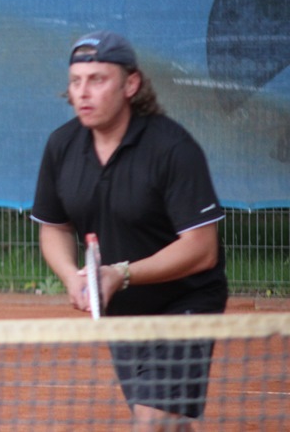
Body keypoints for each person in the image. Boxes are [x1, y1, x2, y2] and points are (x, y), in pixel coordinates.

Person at [31, 30, 229, 431]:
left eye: (98, 79)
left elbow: (202, 248)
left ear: (130, 84)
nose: (83, 92)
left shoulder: (172, 148)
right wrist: (73, 278)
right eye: (76, 81)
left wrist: (119, 274)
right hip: (122, 309)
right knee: (164, 421)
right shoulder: (62, 146)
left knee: (153, 420)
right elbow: (53, 227)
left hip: (184, 302)